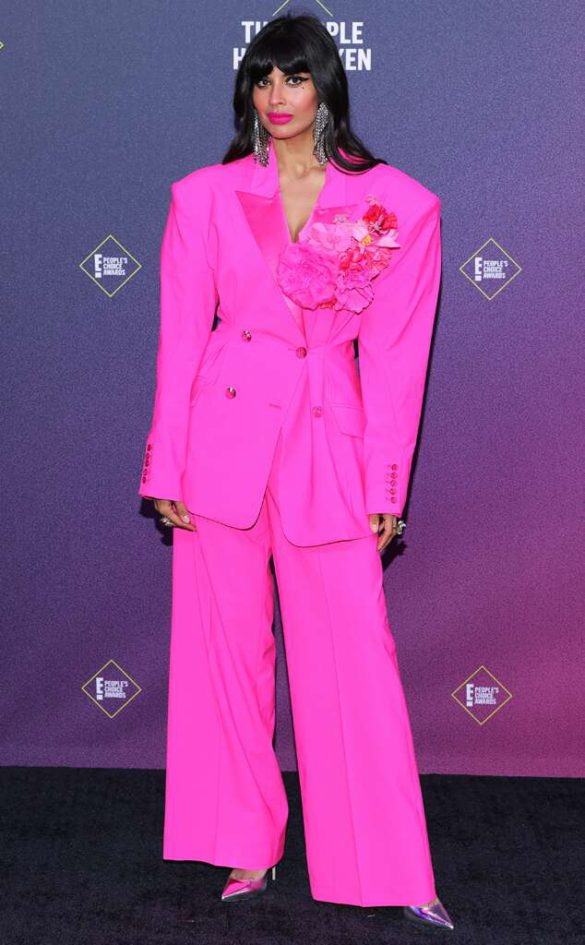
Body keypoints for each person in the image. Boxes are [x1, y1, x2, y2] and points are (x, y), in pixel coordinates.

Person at [138, 12, 453, 932]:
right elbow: (178, 338)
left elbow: (395, 358)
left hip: (329, 443)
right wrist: (167, 461)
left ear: (326, 86)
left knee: (353, 656)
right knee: (226, 655)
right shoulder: (202, 197)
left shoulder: (392, 204)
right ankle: (246, 841)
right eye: (263, 77)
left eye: (295, 77)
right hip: (221, 439)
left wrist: (385, 485)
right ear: (247, 89)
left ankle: (386, 863)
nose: (277, 96)